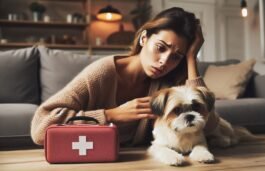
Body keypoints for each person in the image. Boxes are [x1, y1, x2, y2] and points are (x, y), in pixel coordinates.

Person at [31, 7, 215, 146]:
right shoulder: (102, 73)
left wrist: (191, 59)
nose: (164, 61)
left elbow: (210, 126)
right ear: (144, 39)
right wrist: (111, 115)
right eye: (160, 48)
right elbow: (40, 130)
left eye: (176, 56)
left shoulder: (170, 82)